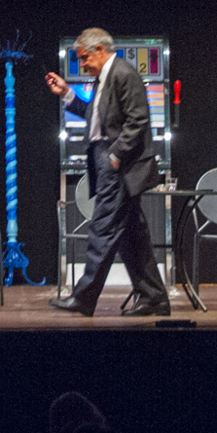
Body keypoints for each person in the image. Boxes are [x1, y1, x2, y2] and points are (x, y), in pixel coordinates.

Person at [45, 27, 169, 316]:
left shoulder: (124, 74)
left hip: (119, 165)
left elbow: (138, 120)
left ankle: (84, 298)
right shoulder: (104, 78)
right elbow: (96, 118)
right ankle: (154, 297)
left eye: (85, 58)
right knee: (131, 235)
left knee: (102, 228)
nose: (82, 65)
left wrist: (115, 156)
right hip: (107, 161)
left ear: (100, 50)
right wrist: (66, 94)